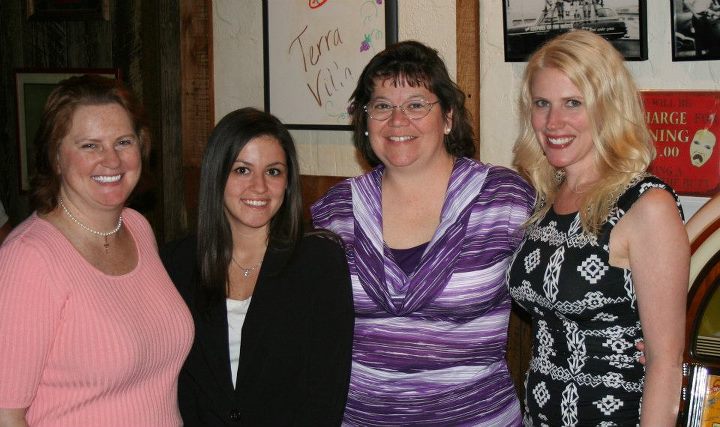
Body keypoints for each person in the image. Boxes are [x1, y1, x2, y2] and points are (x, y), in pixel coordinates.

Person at [311, 40, 535, 425]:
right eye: (382, 106)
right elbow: (304, 319)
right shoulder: (335, 210)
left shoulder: (504, 200)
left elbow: (561, 281)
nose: (398, 121)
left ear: (447, 117)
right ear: (365, 121)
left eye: (416, 104)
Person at [508, 30, 689, 425]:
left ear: (607, 107)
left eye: (573, 103)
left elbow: (666, 364)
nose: (554, 122)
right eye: (542, 104)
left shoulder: (645, 204)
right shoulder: (546, 196)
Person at [0, 75, 194, 426]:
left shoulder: (136, 227)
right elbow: (6, 414)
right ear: (56, 157)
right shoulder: (30, 258)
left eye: (123, 141)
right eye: (90, 145)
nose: (112, 160)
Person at [161, 107, 354, 426]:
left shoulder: (319, 262)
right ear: (217, 174)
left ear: (288, 182)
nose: (260, 187)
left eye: (274, 171)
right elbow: (178, 383)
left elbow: (326, 392)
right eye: (242, 170)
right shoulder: (176, 263)